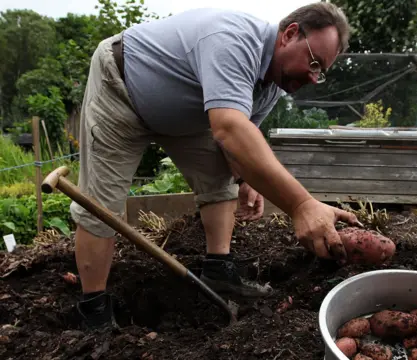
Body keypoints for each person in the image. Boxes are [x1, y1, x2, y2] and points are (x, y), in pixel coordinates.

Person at [70, 2, 359, 329]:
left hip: (185, 114)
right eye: (313, 63)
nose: (312, 76)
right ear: (290, 34)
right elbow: (229, 128)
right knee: (100, 205)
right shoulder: (234, 39)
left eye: (320, 72)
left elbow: (237, 145)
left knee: (221, 181)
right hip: (120, 89)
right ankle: (94, 310)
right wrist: (301, 205)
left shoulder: (272, 85)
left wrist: (247, 180)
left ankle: (219, 270)